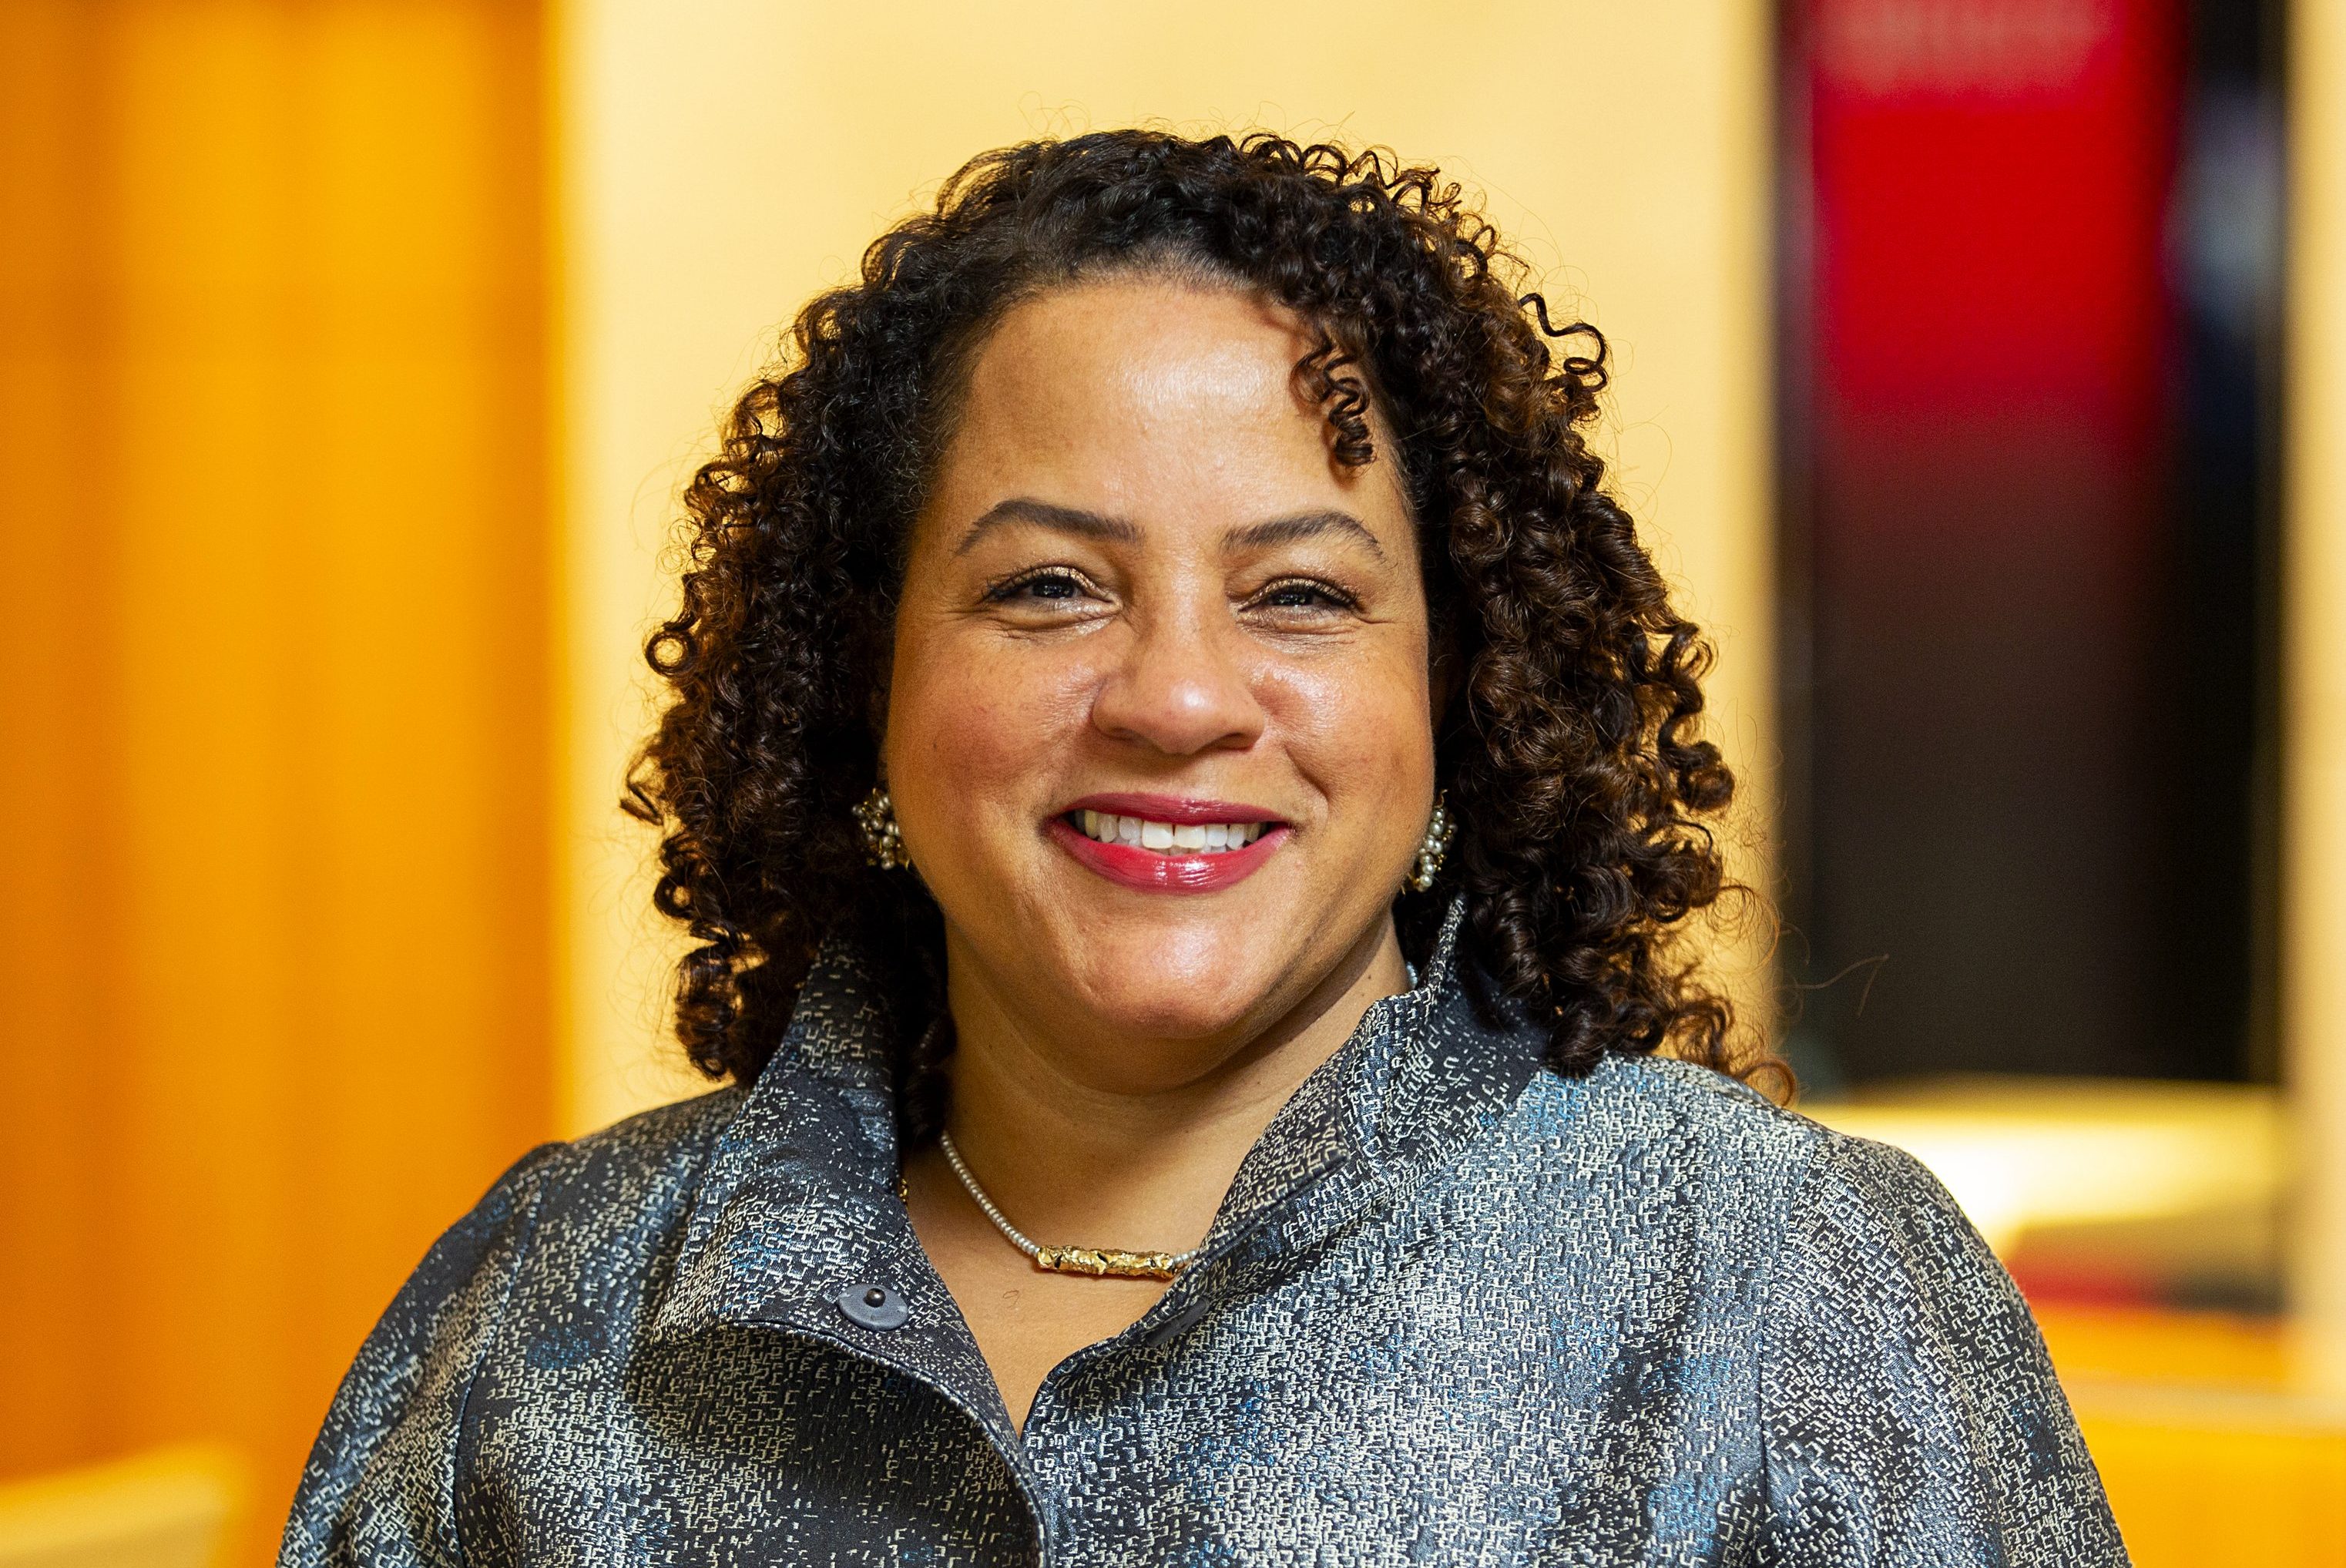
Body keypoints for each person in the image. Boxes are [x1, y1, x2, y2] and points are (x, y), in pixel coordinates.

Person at [282, 131, 2125, 1566]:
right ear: (870, 680)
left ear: (1456, 693)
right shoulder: (548, 1314)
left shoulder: (1769, 1290)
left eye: (1299, 594)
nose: (1175, 697)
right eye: (1049, 587)